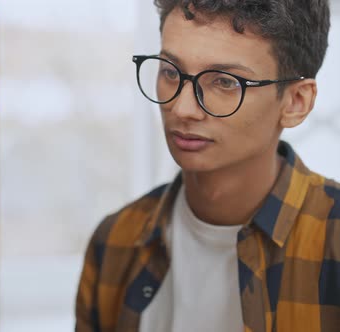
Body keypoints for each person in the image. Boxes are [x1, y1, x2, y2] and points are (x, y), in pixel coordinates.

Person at [75, 1, 339, 331]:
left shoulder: (332, 237)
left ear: (296, 102)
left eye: (225, 82)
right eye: (170, 72)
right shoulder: (114, 241)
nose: (183, 108)